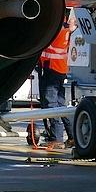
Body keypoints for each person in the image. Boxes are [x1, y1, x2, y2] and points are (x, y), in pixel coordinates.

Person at [38, 8, 77, 149]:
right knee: (61, 104)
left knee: (51, 103)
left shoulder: (55, 30)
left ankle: (57, 138)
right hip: (59, 69)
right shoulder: (65, 29)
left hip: (52, 69)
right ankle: (72, 137)